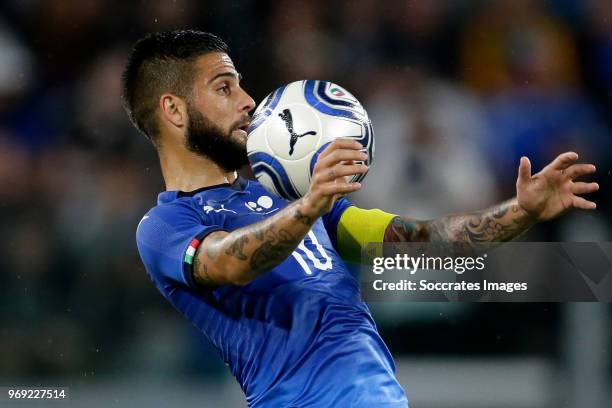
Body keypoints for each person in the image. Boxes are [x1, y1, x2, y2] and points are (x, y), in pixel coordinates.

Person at [121, 30, 599, 408]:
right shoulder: (164, 226)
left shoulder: (287, 200)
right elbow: (228, 262)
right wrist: (309, 207)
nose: (248, 100)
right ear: (173, 111)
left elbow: (428, 242)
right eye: (224, 87)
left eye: (241, 84)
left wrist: (522, 211)